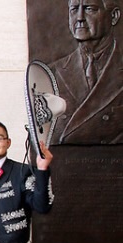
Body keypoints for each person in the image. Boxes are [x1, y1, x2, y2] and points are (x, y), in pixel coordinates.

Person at [49, 0, 121, 144]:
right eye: (74, 9)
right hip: (65, 158)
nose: (80, 18)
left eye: (90, 9)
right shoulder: (51, 73)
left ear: (113, 16)